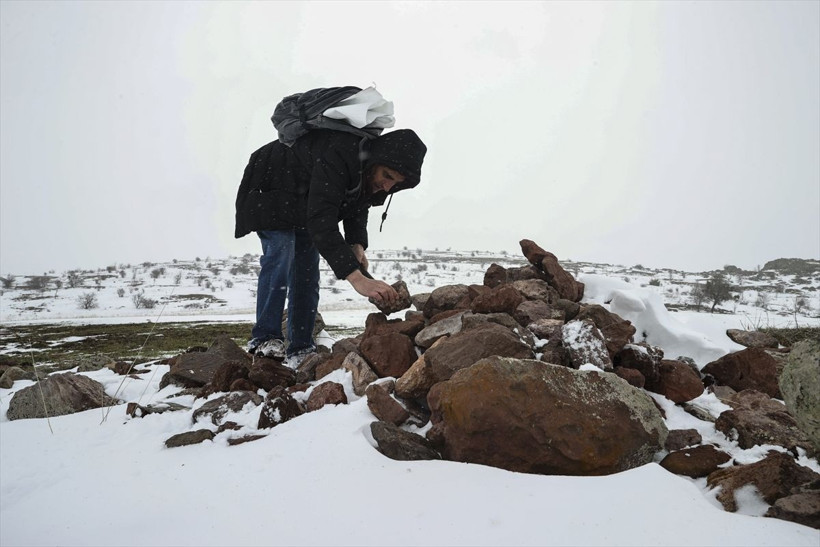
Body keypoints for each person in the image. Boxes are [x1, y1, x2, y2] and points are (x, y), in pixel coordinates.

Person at [234, 128, 427, 366]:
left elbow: (357, 204)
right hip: (272, 186)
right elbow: (322, 221)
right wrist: (358, 279)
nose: (387, 187)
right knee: (281, 252)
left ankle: (301, 347)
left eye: (395, 183)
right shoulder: (339, 153)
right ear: (376, 160)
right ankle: (264, 339)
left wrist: (356, 244)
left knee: (306, 270)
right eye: (387, 175)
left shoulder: (366, 171)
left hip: (303, 202)